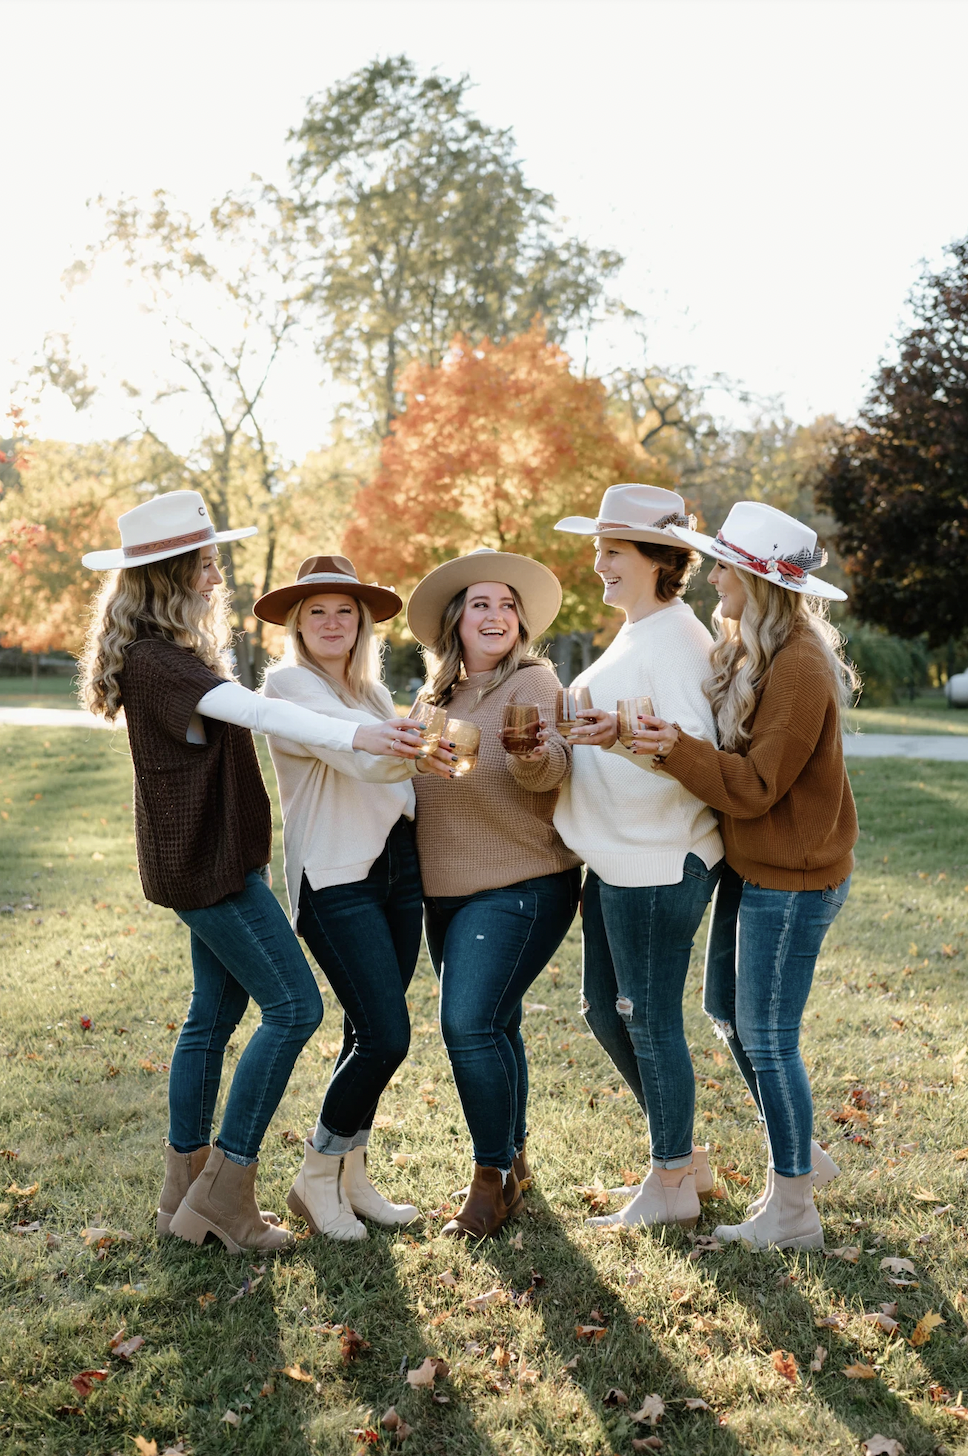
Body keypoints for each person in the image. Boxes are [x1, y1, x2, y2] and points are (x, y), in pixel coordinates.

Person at [79, 493, 425, 1253]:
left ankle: (184, 1192)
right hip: (210, 869)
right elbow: (265, 715)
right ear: (172, 572)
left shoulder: (169, 654)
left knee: (212, 1018)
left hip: (212, 859)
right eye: (205, 558)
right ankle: (228, 1194)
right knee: (296, 1010)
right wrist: (365, 730)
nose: (216, 568)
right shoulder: (160, 663)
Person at [631, 500, 858, 1252]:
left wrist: (673, 749)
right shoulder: (755, 646)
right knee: (725, 1008)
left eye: (725, 565)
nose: (714, 576)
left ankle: (791, 1211)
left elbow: (757, 786)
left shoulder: (796, 663)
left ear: (756, 579)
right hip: (755, 868)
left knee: (767, 1037)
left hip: (791, 880)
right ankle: (805, 1158)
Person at [255, 555, 449, 1241]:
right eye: (317, 612)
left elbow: (395, 774)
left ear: (362, 622)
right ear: (298, 625)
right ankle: (316, 1175)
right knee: (387, 1036)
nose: (332, 622)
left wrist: (426, 750)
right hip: (336, 877)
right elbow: (364, 759)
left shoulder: (370, 691)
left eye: (345, 611)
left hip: (396, 871)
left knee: (364, 1031)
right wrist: (419, 746)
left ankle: (352, 1177)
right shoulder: (285, 685)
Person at [549, 484, 724, 1230]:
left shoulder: (679, 639)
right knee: (603, 1010)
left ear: (658, 560)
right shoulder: (640, 628)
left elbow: (697, 753)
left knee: (648, 1020)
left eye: (612, 551)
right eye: (599, 550)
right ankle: (684, 1156)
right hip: (616, 858)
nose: (599, 564)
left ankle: (671, 1179)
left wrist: (615, 735)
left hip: (660, 860)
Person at [407, 548, 582, 1239]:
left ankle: (488, 1179)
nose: (496, 614)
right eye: (481, 603)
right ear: (456, 621)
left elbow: (551, 767)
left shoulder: (534, 685)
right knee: (497, 1024)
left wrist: (533, 755)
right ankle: (516, 1160)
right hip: (443, 895)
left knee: (467, 1024)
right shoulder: (431, 701)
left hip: (522, 884)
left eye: (508, 605)